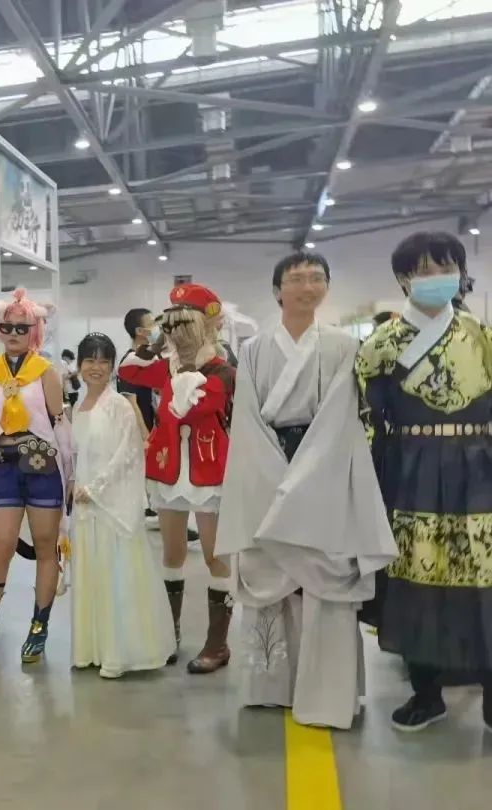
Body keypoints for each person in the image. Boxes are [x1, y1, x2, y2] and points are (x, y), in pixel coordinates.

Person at [216, 251, 397, 729]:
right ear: (278, 290)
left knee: (324, 572)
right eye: (296, 279)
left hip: (326, 468)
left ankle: (325, 693)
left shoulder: (342, 346)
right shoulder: (254, 350)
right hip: (268, 464)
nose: (307, 286)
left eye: (317, 278)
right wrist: (274, 476)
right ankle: (273, 686)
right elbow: (247, 420)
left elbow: (340, 416)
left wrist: (305, 476)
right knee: (271, 567)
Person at [356, 231, 492, 733]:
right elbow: (368, 417)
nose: (438, 277)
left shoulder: (482, 335)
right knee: (416, 578)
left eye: (447, 267)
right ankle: (426, 691)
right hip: (410, 471)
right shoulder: (381, 345)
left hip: (480, 470)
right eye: (425, 270)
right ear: (404, 278)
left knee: (484, 577)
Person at [118, 283, 236, 674]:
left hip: (208, 467)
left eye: (185, 326)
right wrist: (153, 345)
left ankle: (218, 643)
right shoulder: (166, 365)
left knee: (215, 555)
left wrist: (180, 372)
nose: (177, 335)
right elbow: (127, 370)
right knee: (172, 553)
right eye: (171, 327)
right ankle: (170, 634)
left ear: (206, 326)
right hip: (169, 467)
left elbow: (193, 408)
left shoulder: (222, 370)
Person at [0, 288, 69, 665]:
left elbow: (60, 428)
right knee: (0, 546)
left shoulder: (46, 372)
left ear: (35, 331)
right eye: (6, 327)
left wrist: (71, 475)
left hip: (44, 467)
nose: (13, 333)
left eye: (21, 328)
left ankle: (39, 628)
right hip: (5, 466)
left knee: (45, 546)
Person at [70, 333, 176, 677]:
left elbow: (129, 453)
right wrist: (75, 486)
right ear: (80, 365)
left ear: (113, 366)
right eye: (90, 360)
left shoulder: (119, 405)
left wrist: (96, 488)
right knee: (92, 575)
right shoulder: (77, 407)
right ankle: (92, 650)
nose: (96, 367)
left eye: (104, 361)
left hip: (111, 503)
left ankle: (119, 653)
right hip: (84, 505)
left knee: (116, 577)